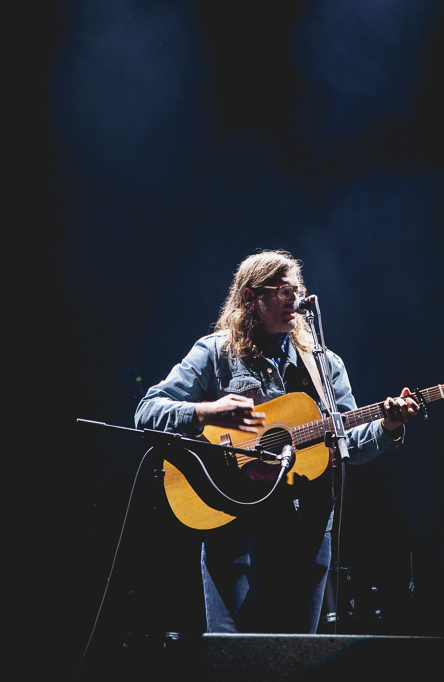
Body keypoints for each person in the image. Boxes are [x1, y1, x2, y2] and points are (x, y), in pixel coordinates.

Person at [135, 249, 419, 633]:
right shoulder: (216, 353)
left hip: (306, 527)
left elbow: (347, 440)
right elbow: (148, 410)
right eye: (283, 290)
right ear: (251, 297)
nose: (294, 300)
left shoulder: (323, 364)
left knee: (293, 656)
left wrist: (388, 428)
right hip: (232, 521)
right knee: (235, 656)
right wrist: (206, 412)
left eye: (297, 290)